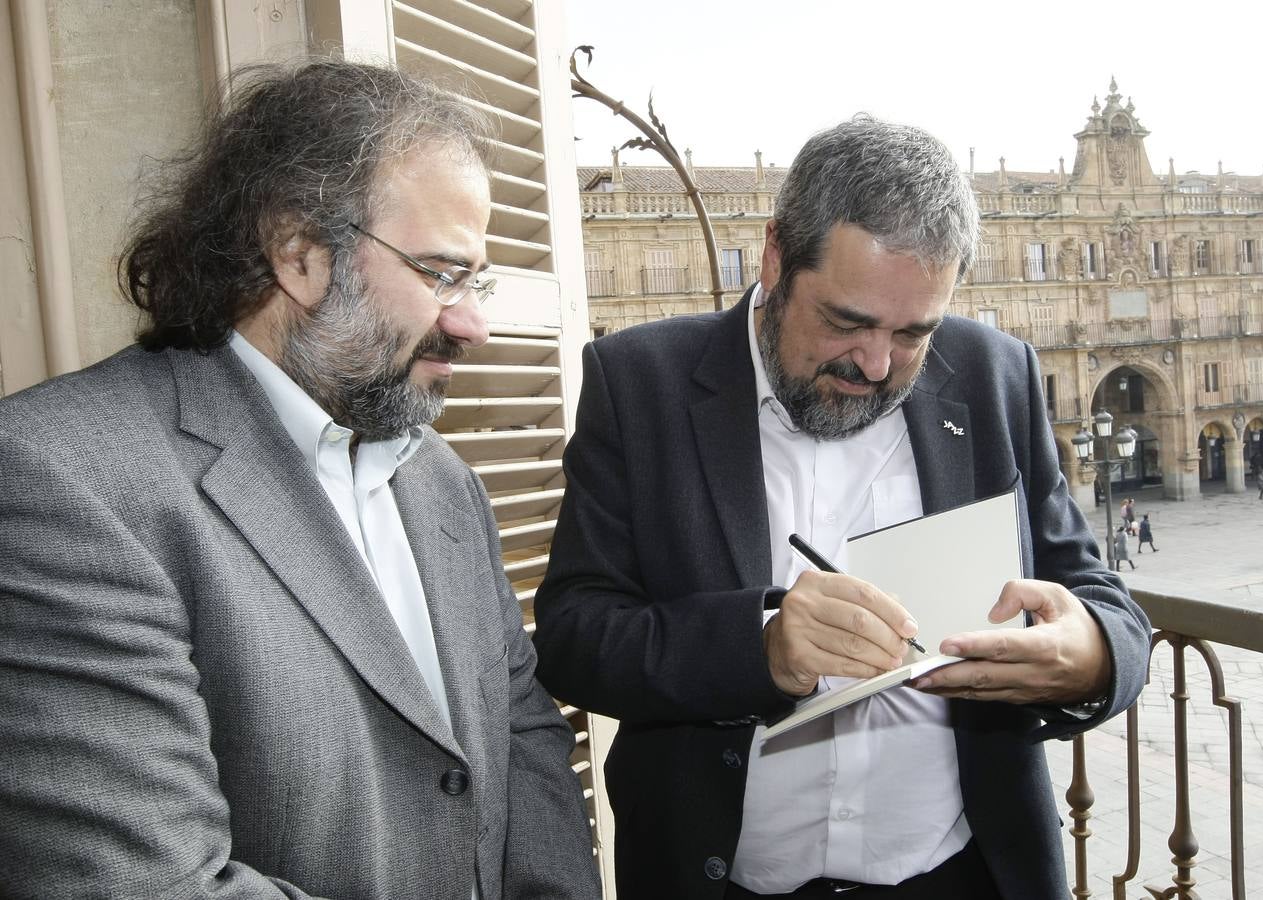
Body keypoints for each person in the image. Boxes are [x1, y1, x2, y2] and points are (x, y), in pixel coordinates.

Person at [0, 60, 600, 899]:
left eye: (477, 280)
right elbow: (148, 884)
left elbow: (521, 731)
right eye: (441, 273)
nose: (475, 324)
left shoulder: (442, 480)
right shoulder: (60, 479)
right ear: (300, 255)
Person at [533, 115, 1151, 900]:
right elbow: (575, 635)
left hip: (962, 877)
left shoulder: (996, 375)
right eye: (846, 323)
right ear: (775, 257)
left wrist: (1090, 656)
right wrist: (760, 646)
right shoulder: (638, 383)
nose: (878, 363)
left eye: (914, 333)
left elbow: (1100, 598)